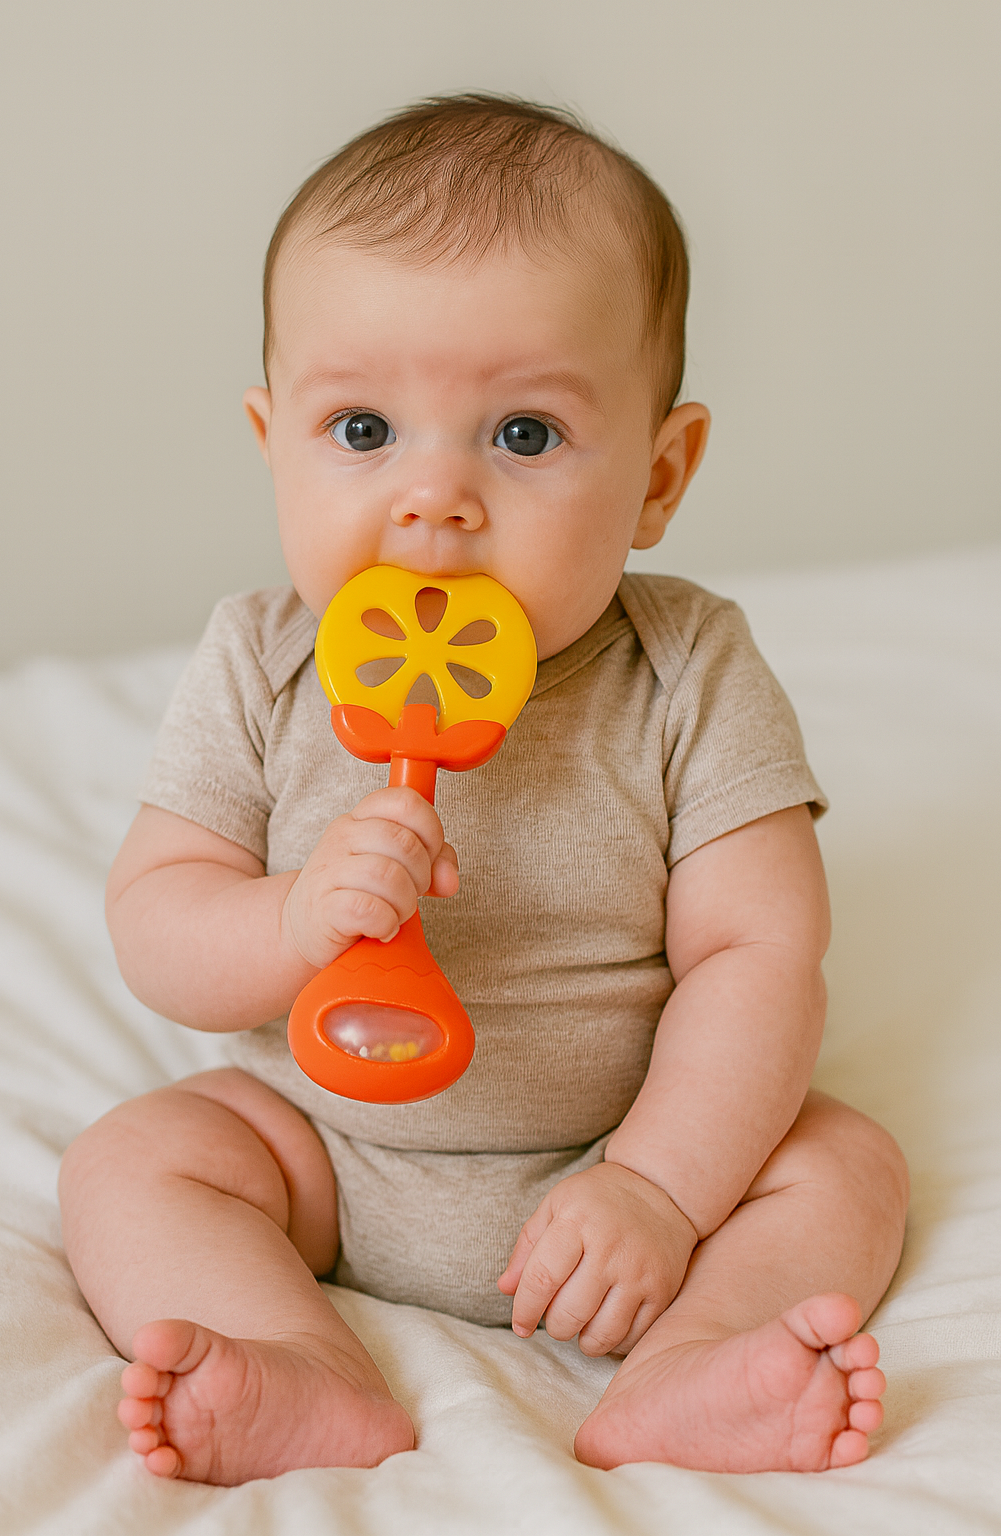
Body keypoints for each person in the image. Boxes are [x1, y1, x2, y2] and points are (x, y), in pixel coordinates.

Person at [58, 94, 909, 1485]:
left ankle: (695, 1364)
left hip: (622, 1141)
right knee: (133, 1160)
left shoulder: (687, 666)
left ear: (659, 475)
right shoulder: (262, 661)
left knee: (843, 1167)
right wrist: (289, 919)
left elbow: (761, 954)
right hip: (325, 1153)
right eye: (362, 428)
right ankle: (298, 1362)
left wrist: (656, 1184)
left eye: (523, 436)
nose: (434, 496)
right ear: (272, 437)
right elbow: (157, 919)